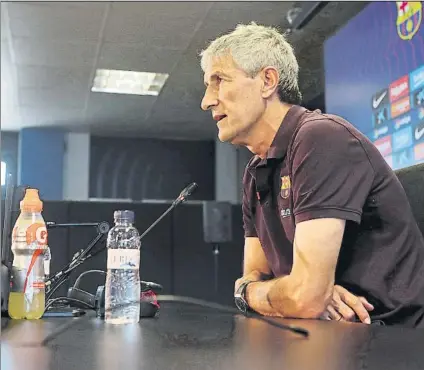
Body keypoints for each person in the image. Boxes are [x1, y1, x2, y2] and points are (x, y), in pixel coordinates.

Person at [199, 23, 424, 327]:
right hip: (322, 332)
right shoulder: (255, 171)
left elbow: (300, 297)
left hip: (388, 337)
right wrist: (268, 291)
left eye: (219, 80)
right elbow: (256, 279)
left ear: (267, 81)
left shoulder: (320, 138)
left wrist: (276, 291)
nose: (207, 100)